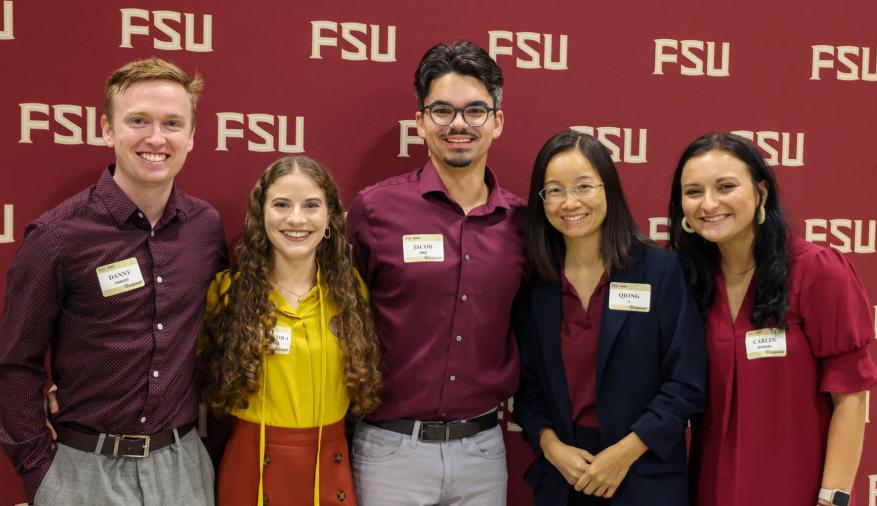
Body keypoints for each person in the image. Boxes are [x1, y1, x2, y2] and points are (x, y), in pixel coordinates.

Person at [0, 57, 226, 505]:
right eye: (138, 120)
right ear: (107, 129)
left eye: (173, 123)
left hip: (183, 469)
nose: (156, 138)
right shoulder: (58, 236)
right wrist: (42, 475)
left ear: (193, 136)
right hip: (82, 471)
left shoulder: (207, 228)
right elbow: (15, 364)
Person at [346, 40, 526, 505]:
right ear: (421, 121)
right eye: (442, 110)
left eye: (475, 111)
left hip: (483, 451)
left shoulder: (524, 225)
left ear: (497, 121)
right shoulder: (374, 210)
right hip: (389, 450)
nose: (459, 124)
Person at [668, 132, 877, 506]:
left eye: (725, 186)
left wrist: (833, 499)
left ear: (761, 192)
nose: (709, 203)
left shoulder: (816, 270)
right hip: (709, 489)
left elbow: (850, 396)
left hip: (794, 489)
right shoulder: (688, 280)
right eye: (693, 192)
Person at [514, 130, 707, 506]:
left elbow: (687, 383)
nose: (569, 202)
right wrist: (551, 446)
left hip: (642, 472)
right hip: (564, 478)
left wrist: (625, 453)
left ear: (609, 189)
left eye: (583, 186)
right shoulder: (535, 283)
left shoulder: (660, 271)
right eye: (554, 190)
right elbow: (528, 389)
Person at [198, 156, 382, 506]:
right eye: (281, 204)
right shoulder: (226, 291)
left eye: (311, 205)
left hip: (330, 466)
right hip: (250, 466)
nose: (296, 219)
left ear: (329, 218)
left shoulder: (351, 293)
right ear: (260, 215)